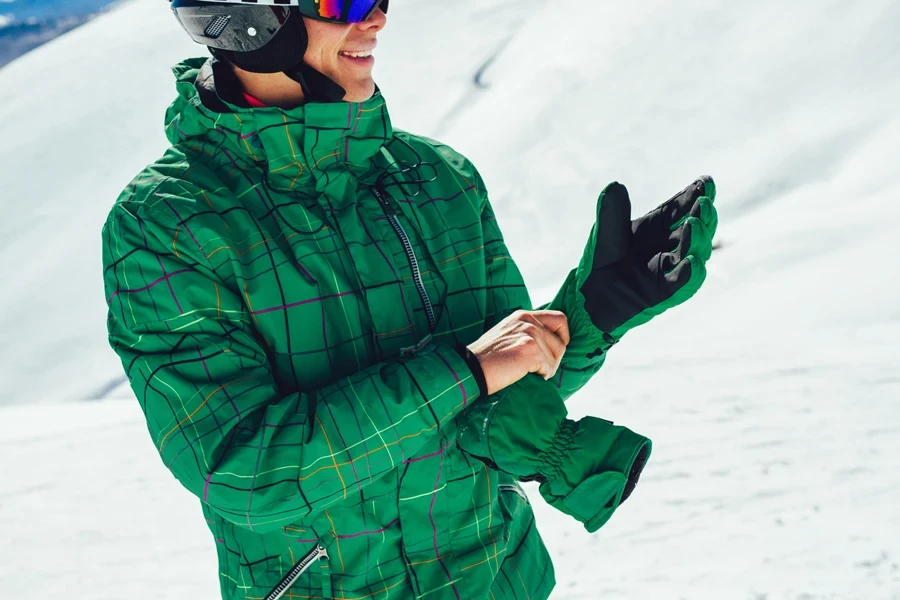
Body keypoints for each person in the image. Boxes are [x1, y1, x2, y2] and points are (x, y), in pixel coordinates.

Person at [101, 1, 717, 598]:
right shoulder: (169, 225)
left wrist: (592, 314)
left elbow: (504, 404)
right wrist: (466, 371)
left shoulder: (434, 176)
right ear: (248, 19)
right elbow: (244, 474)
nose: (375, 17)